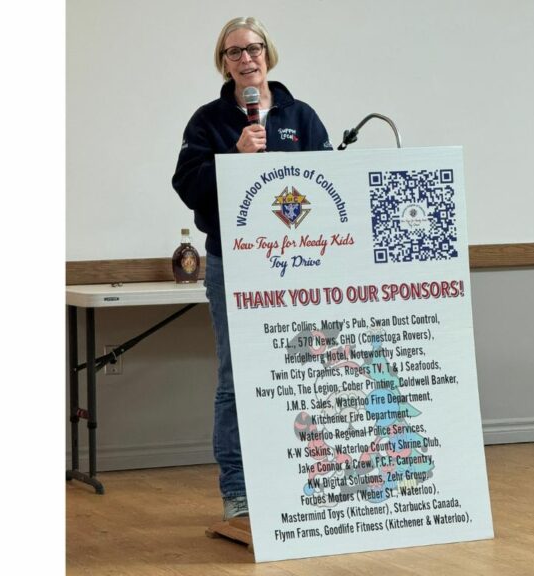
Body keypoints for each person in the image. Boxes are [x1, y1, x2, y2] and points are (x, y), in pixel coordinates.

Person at [171, 17, 332, 521]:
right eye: (235, 52)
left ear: (268, 54)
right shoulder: (208, 121)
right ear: (224, 63)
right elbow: (188, 187)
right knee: (236, 377)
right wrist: (232, 157)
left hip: (300, 266)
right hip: (235, 264)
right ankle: (238, 492)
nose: (246, 59)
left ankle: (302, 483)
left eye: (254, 48)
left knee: (305, 372)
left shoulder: (301, 116)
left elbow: (330, 185)